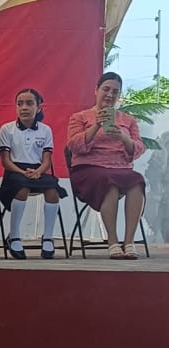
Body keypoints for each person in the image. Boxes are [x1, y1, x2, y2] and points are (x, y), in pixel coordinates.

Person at [66, 71, 146, 259]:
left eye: (115, 91)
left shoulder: (128, 120)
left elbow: (139, 148)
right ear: (96, 90)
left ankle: (129, 242)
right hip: (89, 169)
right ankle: (112, 240)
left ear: (119, 95)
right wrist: (96, 126)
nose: (110, 95)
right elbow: (73, 145)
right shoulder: (79, 117)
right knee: (109, 181)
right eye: (106, 89)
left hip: (121, 168)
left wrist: (123, 138)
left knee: (137, 181)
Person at [0, 88, 65, 260]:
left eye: (29, 103)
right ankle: (14, 236)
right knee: (22, 189)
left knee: (53, 191)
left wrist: (38, 172)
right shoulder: (7, 129)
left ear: (38, 107)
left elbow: (47, 161)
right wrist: (22, 172)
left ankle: (48, 237)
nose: (24, 108)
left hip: (37, 170)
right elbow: (5, 161)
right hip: (15, 170)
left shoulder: (45, 130)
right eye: (20, 104)